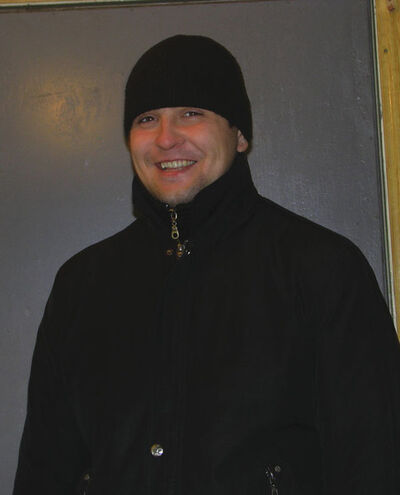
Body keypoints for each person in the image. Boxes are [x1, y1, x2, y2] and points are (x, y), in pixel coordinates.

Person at [13, 35, 400, 495]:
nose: (165, 138)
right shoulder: (82, 284)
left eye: (191, 113)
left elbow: (376, 461)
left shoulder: (321, 269)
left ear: (240, 135)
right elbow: (44, 467)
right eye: (146, 119)